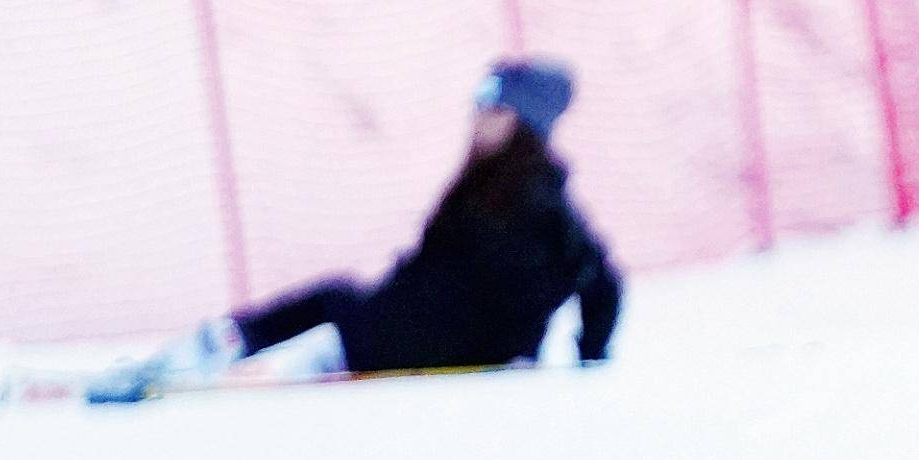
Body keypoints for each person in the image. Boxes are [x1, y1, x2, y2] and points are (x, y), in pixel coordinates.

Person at [108, 60, 623, 395]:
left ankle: (209, 352)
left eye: (496, 110)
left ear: (524, 124)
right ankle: (258, 355)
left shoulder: (535, 199)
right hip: (434, 332)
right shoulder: (490, 185)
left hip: (451, 343)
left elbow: (600, 280)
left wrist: (582, 359)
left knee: (334, 299)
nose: (479, 119)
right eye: (479, 107)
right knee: (344, 302)